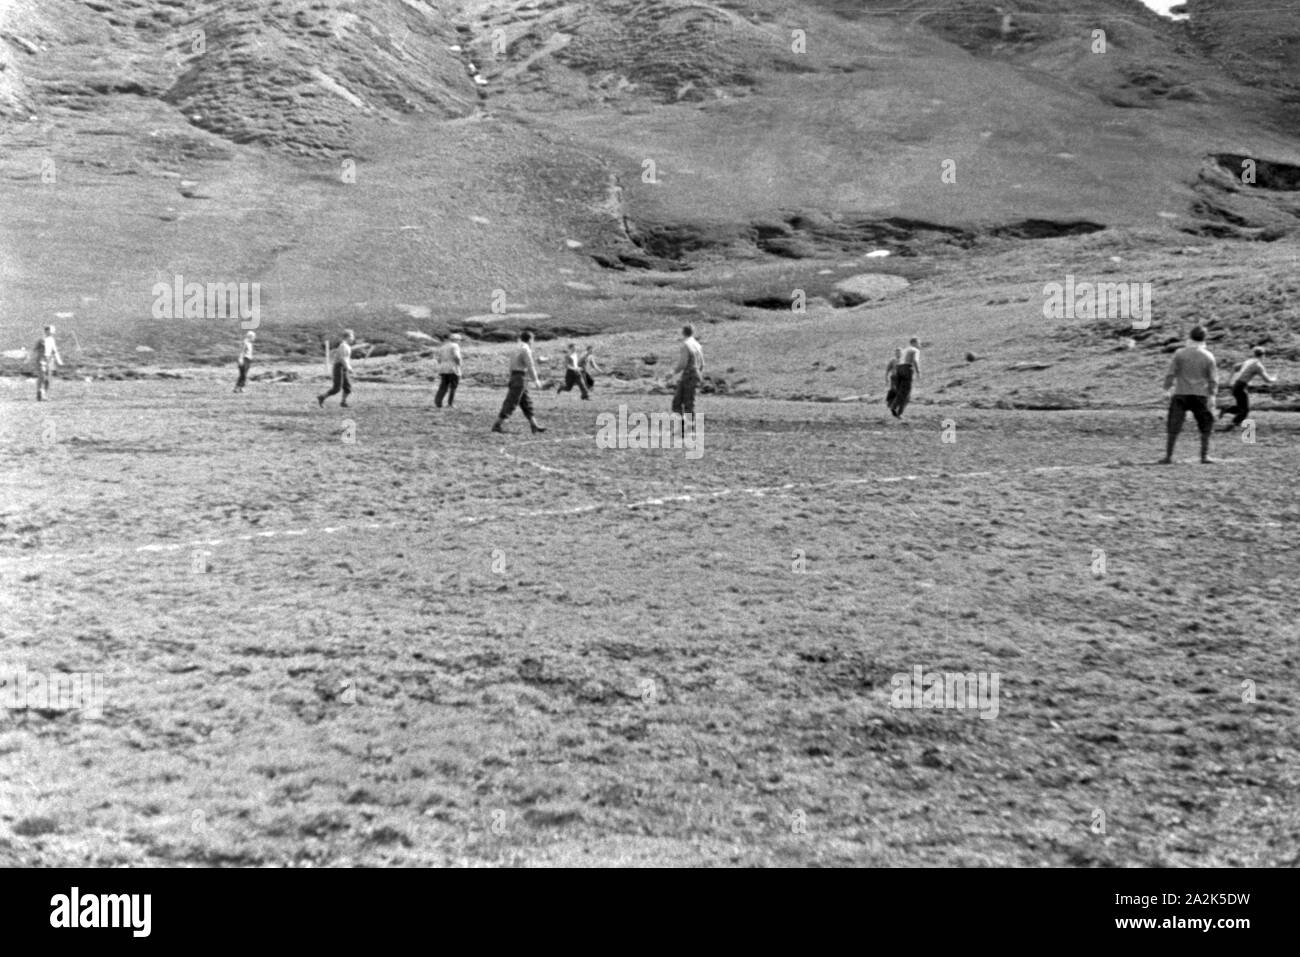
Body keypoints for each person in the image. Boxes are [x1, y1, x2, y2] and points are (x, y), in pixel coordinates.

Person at [1160, 325, 1218, 464]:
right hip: (1200, 394)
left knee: (1174, 425)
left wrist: (1166, 390)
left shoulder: (1180, 353)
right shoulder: (1208, 356)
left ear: (1190, 336)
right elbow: (1213, 379)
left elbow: (1171, 374)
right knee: (1205, 425)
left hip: (1181, 392)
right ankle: (1204, 456)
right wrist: (1212, 396)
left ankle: (1169, 456)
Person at [492, 331, 546, 434]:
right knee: (511, 402)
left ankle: (534, 425)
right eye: (533, 340)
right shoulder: (526, 349)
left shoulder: (515, 348)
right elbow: (530, 366)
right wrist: (536, 381)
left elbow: (511, 365)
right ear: (530, 339)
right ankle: (497, 425)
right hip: (521, 377)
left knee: (526, 402)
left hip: (515, 376)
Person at [1219, 346, 1277, 431]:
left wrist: (1229, 380)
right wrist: (1274, 379)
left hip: (1236, 385)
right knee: (1245, 411)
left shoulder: (1248, 361)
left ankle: (1226, 410)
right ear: (1263, 355)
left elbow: (1235, 367)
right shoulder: (1258, 365)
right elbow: (1267, 380)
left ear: (1254, 354)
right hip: (1241, 387)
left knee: (1241, 408)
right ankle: (1230, 426)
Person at [671, 324, 704, 423]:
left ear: (682, 332)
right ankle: (686, 427)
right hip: (695, 374)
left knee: (678, 403)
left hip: (688, 375)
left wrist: (672, 373)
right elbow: (702, 363)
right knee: (688, 403)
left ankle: (684, 428)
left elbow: (683, 364)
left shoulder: (686, 344)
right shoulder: (697, 345)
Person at [317, 329, 355, 408]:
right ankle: (322, 397)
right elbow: (342, 358)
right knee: (336, 388)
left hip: (343, 368)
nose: (353, 338)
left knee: (348, 387)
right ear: (347, 337)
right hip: (339, 368)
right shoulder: (343, 346)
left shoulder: (347, 346)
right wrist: (348, 367)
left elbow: (345, 359)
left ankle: (343, 402)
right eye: (352, 336)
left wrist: (347, 367)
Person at [890, 338, 921, 418]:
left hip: (899, 368)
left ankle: (896, 409)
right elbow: (915, 360)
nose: (919, 345)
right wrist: (918, 372)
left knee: (901, 390)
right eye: (918, 343)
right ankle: (896, 409)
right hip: (907, 369)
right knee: (906, 392)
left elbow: (899, 360)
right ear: (914, 343)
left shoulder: (904, 350)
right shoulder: (915, 350)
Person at [34, 324, 63, 401]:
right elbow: (34, 350)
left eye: (53, 330)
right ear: (46, 331)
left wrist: (59, 360)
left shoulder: (52, 340)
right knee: (42, 376)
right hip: (41, 360)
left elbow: (54, 351)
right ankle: (39, 393)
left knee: (48, 379)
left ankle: (44, 394)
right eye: (51, 330)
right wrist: (31, 358)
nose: (53, 332)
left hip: (49, 360)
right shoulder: (40, 340)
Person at [435, 333, 463, 408]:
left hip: (443, 368)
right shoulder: (455, 346)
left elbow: (438, 359)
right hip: (452, 368)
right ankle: (450, 403)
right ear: (456, 340)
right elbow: (457, 357)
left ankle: (438, 402)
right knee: (453, 386)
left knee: (443, 386)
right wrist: (459, 364)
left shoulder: (443, 347)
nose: (460, 342)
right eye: (459, 340)